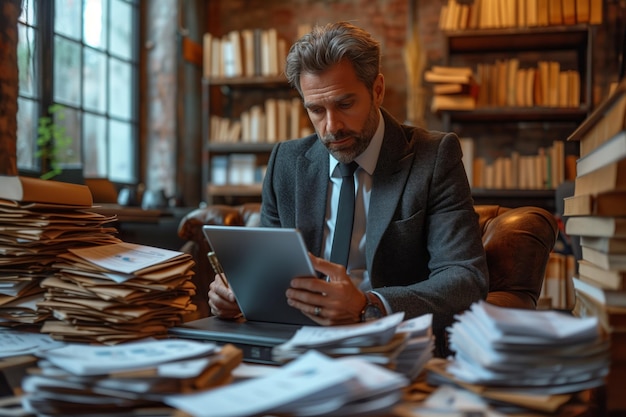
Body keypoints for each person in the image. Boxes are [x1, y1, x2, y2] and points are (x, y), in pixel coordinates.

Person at [208, 21, 488, 357]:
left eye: (345, 104)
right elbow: (269, 271)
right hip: (296, 346)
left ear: (378, 90)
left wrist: (370, 305)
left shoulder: (434, 157)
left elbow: (464, 278)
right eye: (316, 110)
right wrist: (239, 292)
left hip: (389, 346)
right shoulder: (286, 161)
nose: (331, 127)